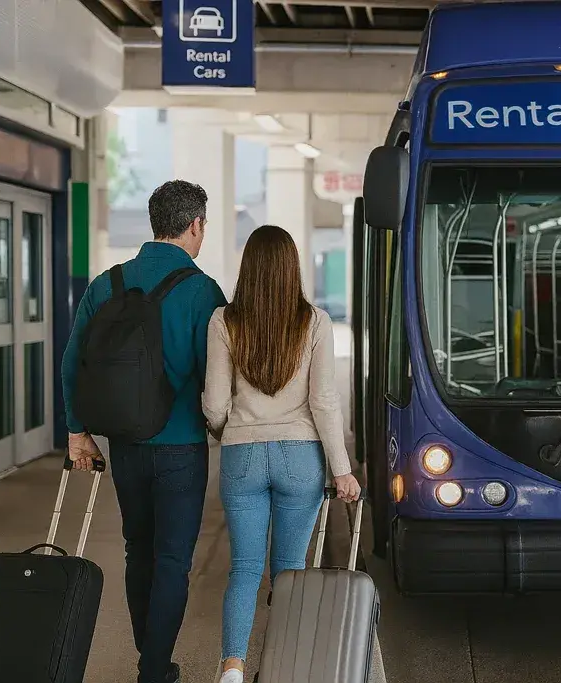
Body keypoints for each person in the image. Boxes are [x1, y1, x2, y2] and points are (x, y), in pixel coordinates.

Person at [61, 180, 228, 683]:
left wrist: (77, 433)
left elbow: (74, 364)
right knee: (174, 559)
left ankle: (150, 659)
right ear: (196, 225)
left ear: (155, 223)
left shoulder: (105, 284)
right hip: (181, 447)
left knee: (140, 551)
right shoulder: (202, 290)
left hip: (125, 446)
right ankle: (154, 667)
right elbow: (215, 375)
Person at [202, 224, 361, 683]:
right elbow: (324, 401)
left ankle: (232, 668)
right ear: (292, 267)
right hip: (300, 458)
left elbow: (214, 403)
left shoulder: (223, 321)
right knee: (289, 573)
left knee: (245, 569)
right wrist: (342, 470)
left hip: (242, 456)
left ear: (247, 267)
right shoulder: (314, 322)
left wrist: (221, 429)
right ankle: (282, 668)